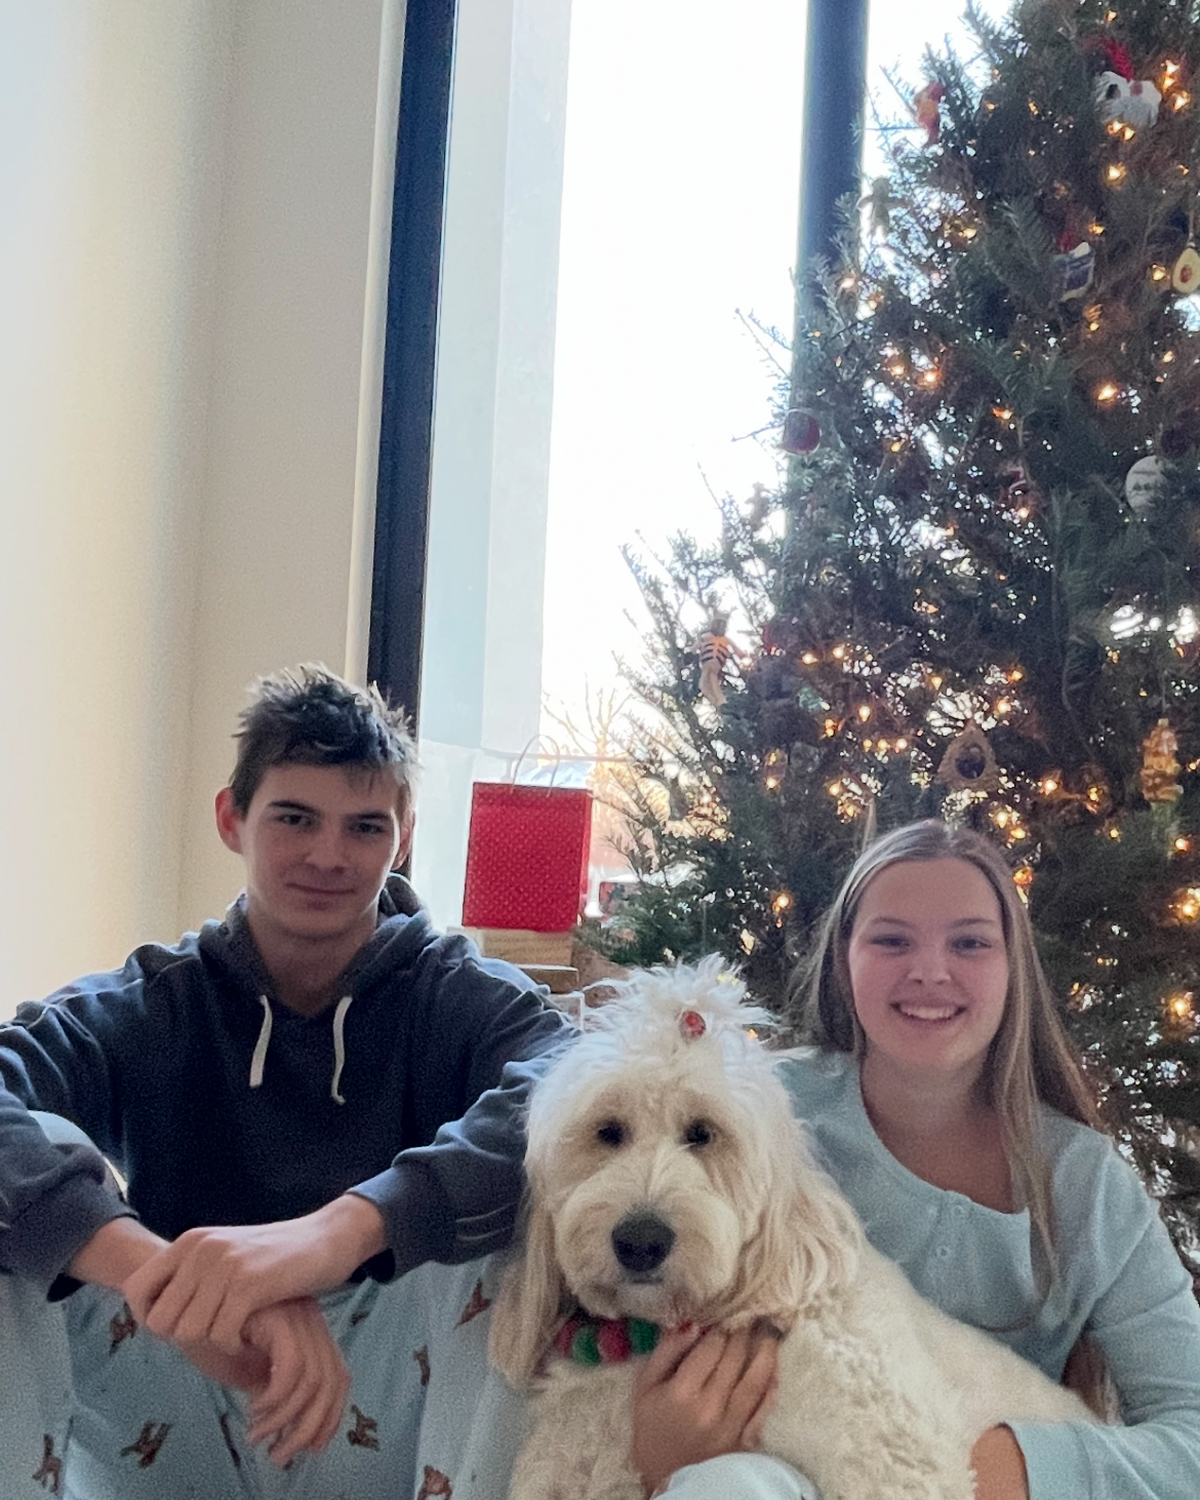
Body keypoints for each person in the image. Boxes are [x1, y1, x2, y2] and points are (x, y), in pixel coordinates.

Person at [0, 664, 572, 1499]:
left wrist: (330, 1239)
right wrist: (171, 1280)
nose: (328, 856)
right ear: (232, 819)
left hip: (395, 1394)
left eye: (364, 827)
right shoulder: (155, 1002)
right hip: (177, 1373)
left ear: (403, 837)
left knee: (537, 1186)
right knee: (26, 1186)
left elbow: (576, 1087)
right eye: (295, 818)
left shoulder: (458, 994)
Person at [625, 819, 1200, 1499]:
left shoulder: (1087, 1184)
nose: (930, 970)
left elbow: (1191, 1434)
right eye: (892, 940)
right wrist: (658, 1452)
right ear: (844, 961)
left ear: (1012, 968)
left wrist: (1007, 1468)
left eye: (970, 942)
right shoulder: (749, 1115)